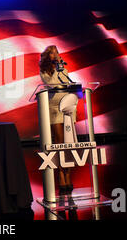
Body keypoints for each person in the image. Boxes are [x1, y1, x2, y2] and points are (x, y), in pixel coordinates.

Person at [38, 45, 76, 196]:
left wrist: (62, 69)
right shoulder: (44, 71)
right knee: (59, 143)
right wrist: (57, 68)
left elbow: (67, 83)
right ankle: (61, 174)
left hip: (67, 108)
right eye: (53, 53)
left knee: (69, 144)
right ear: (48, 56)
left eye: (57, 52)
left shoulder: (63, 69)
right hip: (55, 109)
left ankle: (68, 174)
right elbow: (54, 83)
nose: (56, 55)